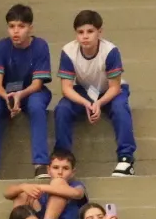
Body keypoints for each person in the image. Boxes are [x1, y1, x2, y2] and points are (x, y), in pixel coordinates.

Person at [55, 10, 136, 177]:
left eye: (90, 31)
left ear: (100, 32)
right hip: (84, 91)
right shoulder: (68, 51)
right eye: (80, 32)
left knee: (120, 108)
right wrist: (86, 103)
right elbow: (66, 88)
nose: (85, 36)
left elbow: (115, 87)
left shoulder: (110, 51)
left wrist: (98, 103)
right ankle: (62, 158)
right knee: (62, 109)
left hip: (110, 91)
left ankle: (126, 159)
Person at [0, 4, 52, 180]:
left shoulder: (40, 46)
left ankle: (41, 164)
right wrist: (7, 97)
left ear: (30, 28)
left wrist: (20, 95)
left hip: (33, 92)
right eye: (12, 26)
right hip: (7, 93)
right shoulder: (1, 47)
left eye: (21, 26)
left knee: (36, 105)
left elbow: (37, 84)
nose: (16, 31)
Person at [5, 146, 87, 219]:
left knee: (59, 183)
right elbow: (6, 193)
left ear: (73, 172)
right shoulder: (43, 192)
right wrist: (23, 187)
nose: (60, 172)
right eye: (55, 167)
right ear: (48, 170)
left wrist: (37, 187)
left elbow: (77, 193)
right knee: (23, 193)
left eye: (65, 168)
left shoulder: (76, 185)